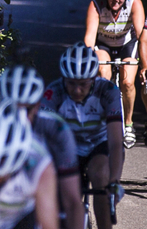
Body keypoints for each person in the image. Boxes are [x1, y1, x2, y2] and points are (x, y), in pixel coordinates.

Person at [44, 46, 126, 229]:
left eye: (83, 84)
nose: (77, 90)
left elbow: (115, 142)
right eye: (71, 83)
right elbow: (42, 138)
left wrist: (114, 181)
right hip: (68, 147)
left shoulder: (108, 91)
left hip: (98, 144)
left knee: (100, 176)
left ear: (94, 79)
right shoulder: (54, 91)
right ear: (63, 78)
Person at [0, 67, 82, 229]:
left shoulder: (56, 129)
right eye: (8, 108)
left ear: (37, 106)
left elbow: (72, 202)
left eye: (25, 109)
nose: (16, 115)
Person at [83, 0, 144, 143]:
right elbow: (89, 37)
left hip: (127, 45)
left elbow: (141, 35)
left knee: (128, 82)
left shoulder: (135, 3)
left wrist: (145, 62)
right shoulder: (96, 5)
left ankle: (129, 123)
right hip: (104, 45)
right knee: (103, 74)